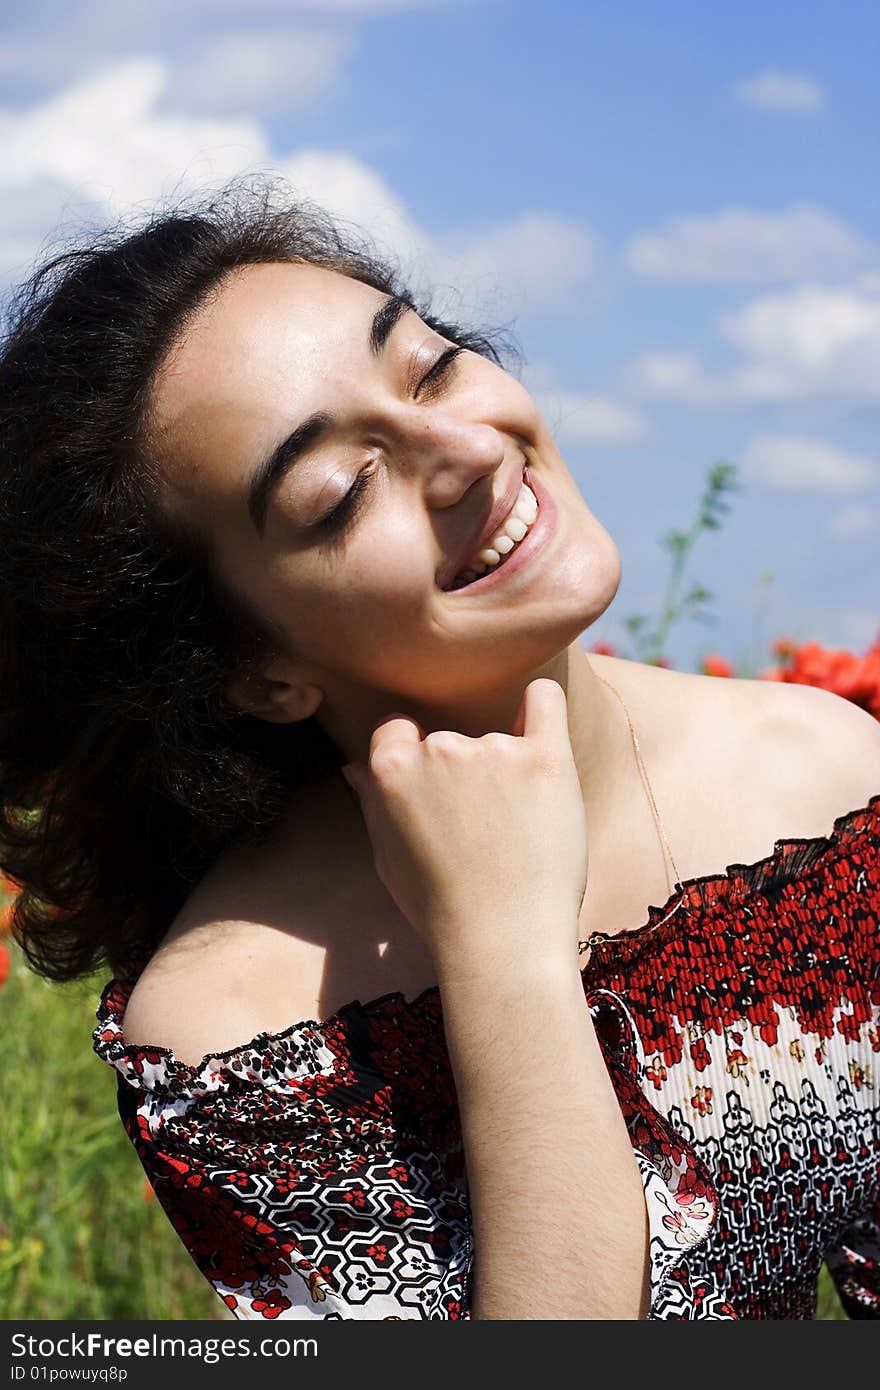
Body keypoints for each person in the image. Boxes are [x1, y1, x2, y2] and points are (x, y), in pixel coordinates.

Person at [2, 184, 878, 1322]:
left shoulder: (823, 782)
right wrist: (504, 954)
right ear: (255, 670)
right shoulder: (240, 1030)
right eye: (341, 491)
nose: (464, 450)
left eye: (430, 365)